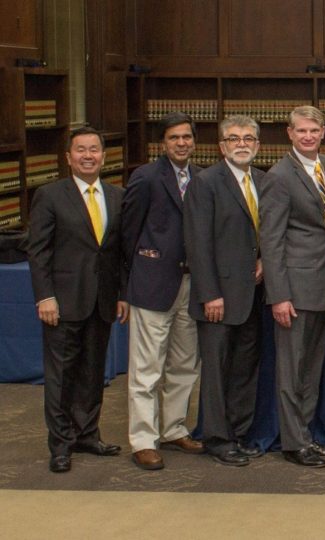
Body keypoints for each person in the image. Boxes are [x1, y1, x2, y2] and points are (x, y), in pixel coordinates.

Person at [27, 127, 128, 473]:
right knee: (61, 376)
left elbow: (119, 254)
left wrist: (121, 296)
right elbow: (38, 252)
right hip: (63, 302)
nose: (88, 155)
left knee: (92, 372)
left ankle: (87, 434)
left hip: (101, 302)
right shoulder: (50, 195)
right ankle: (61, 444)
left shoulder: (116, 196)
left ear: (103, 155)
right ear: (68, 157)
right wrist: (45, 297)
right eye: (81, 150)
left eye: (95, 150)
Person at [121, 112, 204, 470]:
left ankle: (173, 428)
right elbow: (127, 234)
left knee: (184, 365)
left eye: (187, 137)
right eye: (174, 138)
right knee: (146, 368)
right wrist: (129, 282)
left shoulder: (201, 178)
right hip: (153, 285)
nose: (181, 143)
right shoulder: (145, 177)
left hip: (192, 285)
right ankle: (143, 438)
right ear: (162, 143)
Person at [184, 115, 265, 467]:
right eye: (234, 139)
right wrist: (209, 294)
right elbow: (197, 243)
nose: (242, 143)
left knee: (244, 370)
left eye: (248, 138)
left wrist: (264, 259)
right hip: (218, 297)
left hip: (253, 294)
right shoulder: (206, 182)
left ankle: (239, 433)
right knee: (216, 372)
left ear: (258, 145)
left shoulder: (263, 180)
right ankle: (217, 439)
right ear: (221, 146)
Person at [262, 105, 325, 467]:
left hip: (324, 285)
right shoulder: (278, 176)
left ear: (323, 133)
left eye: (314, 130)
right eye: (301, 131)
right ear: (289, 134)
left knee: (312, 368)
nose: (308, 136)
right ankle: (293, 443)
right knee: (291, 371)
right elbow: (271, 240)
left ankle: (305, 434)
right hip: (293, 289)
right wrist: (279, 295)